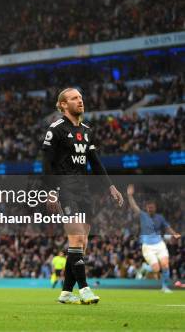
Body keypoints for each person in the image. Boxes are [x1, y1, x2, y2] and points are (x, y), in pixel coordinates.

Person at [42, 88, 123, 304]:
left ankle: (66, 292)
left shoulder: (87, 131)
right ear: (62, 105)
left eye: (80, 97)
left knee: (82, 243)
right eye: (74, 98)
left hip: (84, 190)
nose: (80, 100)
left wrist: (111, 187)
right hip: (64, 189)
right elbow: (47, 163)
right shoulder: (56, 129)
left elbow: (95, 162)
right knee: (76, 237)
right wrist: (51, 191)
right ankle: (84, 289)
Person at [126, 185, 181, 293]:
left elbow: (167, 227)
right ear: (146, 208)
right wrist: (129, 196)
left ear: (155, 208)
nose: (150, 209)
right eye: (149, 207)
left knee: (165, 265)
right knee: (156, 269)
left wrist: (174, 234)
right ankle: (145, 267)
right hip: (147, 246)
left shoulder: (160, 217)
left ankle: (165, 287)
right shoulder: (142, 215)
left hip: (159, 244)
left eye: (152, 207)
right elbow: (134, 206)